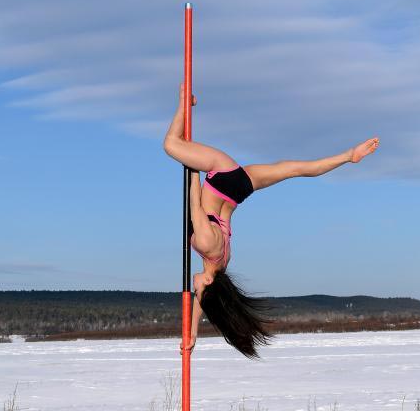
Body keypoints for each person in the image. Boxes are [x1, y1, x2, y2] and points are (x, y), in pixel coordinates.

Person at [163, 84, 380, 358]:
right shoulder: (207, 245)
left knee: (293, 169)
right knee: (172, 144)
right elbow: (193, 203)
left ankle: (349, 156)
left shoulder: (221, 265)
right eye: (198, 290)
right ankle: (185, 102)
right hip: (220, 173)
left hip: (238, 189)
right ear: (206, 284)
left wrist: (192, 331)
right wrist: (192, 165)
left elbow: (204, 301)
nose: (193, 289)